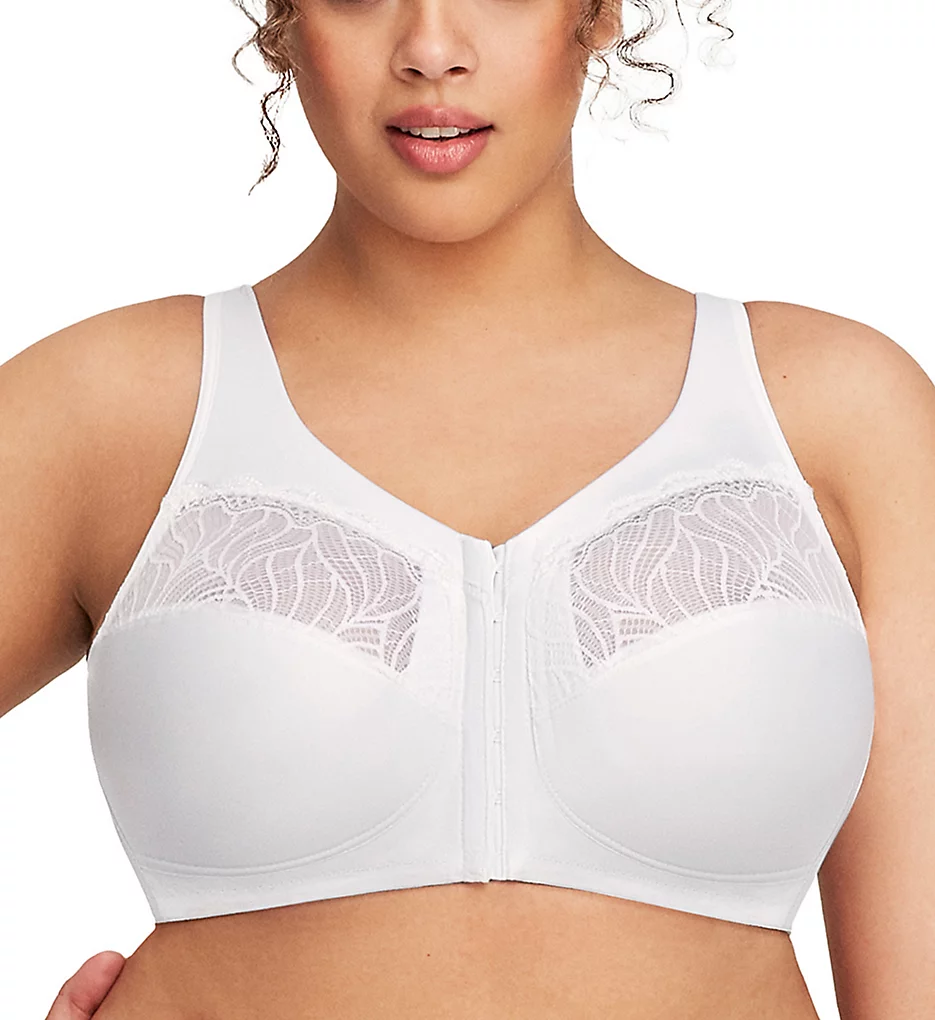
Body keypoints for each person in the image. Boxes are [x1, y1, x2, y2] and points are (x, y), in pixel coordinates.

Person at [6, 0, 933, 1017]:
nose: (431, 51)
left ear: (596, 13)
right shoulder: (107, 411)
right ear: (284, 17)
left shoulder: (835, 416)